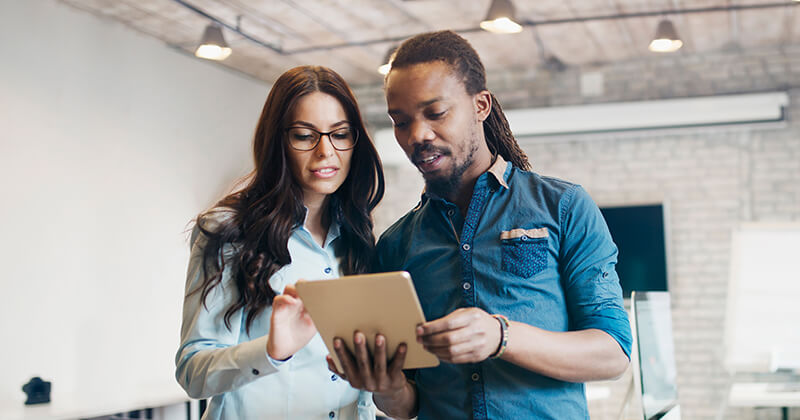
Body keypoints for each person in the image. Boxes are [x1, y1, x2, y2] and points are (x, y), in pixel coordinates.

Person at [327, 30, 633, 419]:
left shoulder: (564, 207)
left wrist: (502, 336)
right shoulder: (396, 244)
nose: (417, 135)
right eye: (401, 121)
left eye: (436, 113)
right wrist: (387, 387)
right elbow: (408, 406)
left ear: (481, 106)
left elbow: (612, 353)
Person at [175, 65, 384, 420]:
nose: (326, 152)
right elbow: (192, 372)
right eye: (305, 136)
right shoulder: (229, 230)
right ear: (278, 142)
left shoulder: (358, 237)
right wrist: (271, 352)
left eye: (340, 134)